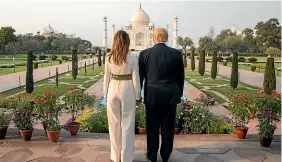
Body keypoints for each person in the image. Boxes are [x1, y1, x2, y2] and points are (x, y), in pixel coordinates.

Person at [138, 28, 184, 162]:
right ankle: (166, 154)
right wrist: (179, 93)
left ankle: (152, 155)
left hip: (152, 96)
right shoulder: (176, 54)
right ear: (167, 37)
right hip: (170, 95)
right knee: (168, 128)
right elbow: (180, 76)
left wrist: (138, 95)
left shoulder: (145, 54)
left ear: (154, 37)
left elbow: (141, 78)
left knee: (152, 127)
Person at [103, 30, 141, 162]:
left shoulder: (109, 57)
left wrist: (105, 94)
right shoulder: (132, 57)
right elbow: (136, 78)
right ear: (128, 41)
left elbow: (106, 78)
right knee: (127, 124)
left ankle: (115, 156)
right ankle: (126, 157)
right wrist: (138, 96)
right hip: (127, 88)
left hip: (113, 88)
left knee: (113, 124)